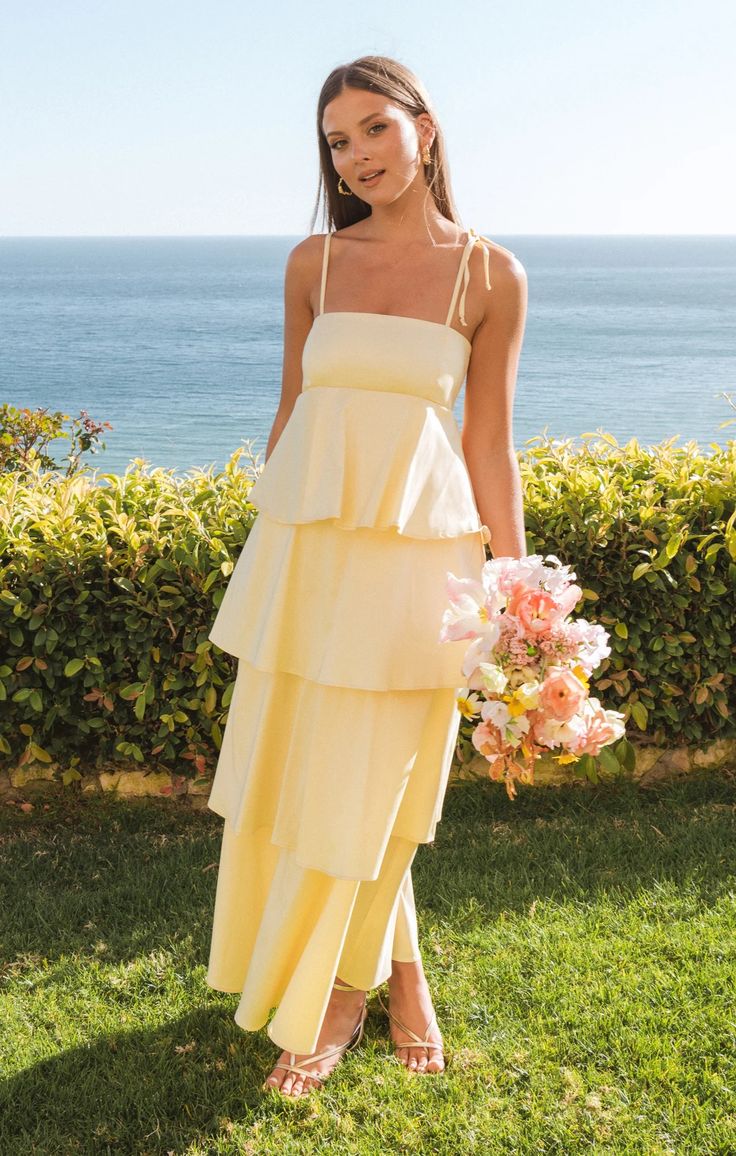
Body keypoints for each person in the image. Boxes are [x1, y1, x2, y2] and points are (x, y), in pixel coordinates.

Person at [204, 54, 528, 1099]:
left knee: (383, 777)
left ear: (423, 128)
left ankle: (338, 998)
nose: (358, 157)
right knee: (316, 772)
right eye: (338, 142)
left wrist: (519, 593)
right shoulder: (315, 263)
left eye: (374, 129)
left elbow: (488, 444)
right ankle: (401, 972)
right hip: (312, 550)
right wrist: (270, 540)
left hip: (421, 557)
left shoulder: (490, 275)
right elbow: (293, 410)